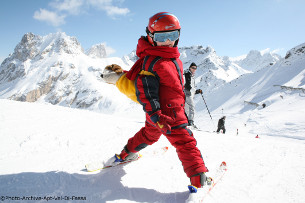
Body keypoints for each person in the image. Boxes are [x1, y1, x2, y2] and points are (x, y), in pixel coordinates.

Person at [101, 12, 208, 191]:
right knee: (185, 142)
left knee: (149, 135)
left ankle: (127, 153)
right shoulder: (152, 63)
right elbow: (147, 94)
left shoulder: (174, 59)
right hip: (167, 116)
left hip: (161, 115)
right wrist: (157, 116)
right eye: (162, 37)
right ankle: (199, 180)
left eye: (173, 36)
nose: (168, 41)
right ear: (151, 37)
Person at [183, 62, 202, 128]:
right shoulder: (187, 74)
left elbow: (191, 87)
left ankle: (186, 122)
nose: (194, 69)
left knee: (187, 109)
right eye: (193, 68)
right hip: (187, 94)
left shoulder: (190, 75)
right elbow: (187, 86)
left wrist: (197, 91)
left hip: (188, 93)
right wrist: (194, 91)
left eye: (195, 68)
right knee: (192, 107)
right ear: (190, 68)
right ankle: (190, 122)